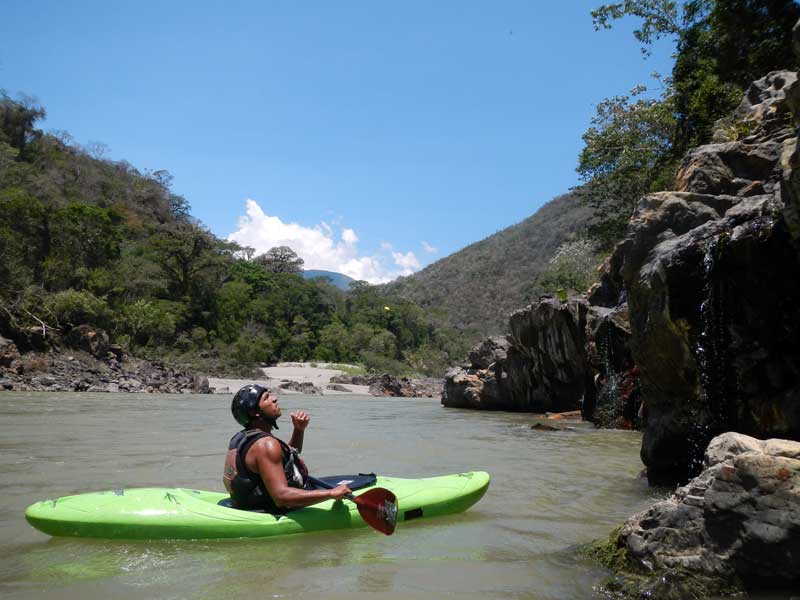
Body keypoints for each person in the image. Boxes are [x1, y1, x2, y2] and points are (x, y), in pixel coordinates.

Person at [223, 384, 351, 512]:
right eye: (266, 398)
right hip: (268, 509)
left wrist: (298, 430)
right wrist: (330, 494)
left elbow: (286, 457)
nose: (274, 399)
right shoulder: (265, 445)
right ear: (254, 412)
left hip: (247, 504)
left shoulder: (242, 437)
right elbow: (281, 497)